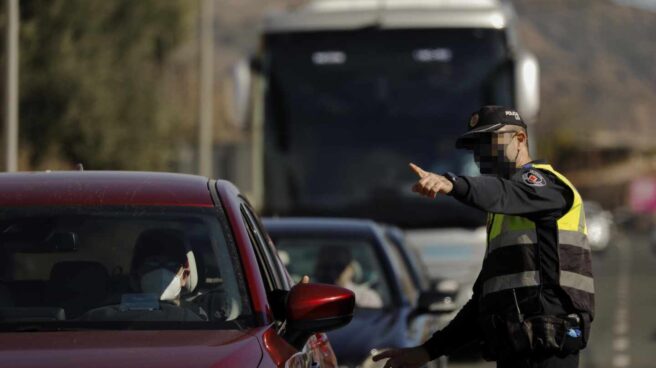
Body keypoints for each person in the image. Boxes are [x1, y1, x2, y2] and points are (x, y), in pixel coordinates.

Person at [374, 106, 594, 368]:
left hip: (548, 348)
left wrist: (453, 184)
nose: (482, 152)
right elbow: (482, 303)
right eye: (476, 145)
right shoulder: (501, 213)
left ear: (520, 139)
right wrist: (426, 352)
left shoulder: (546, 186)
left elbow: (504, 192)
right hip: (516, 349)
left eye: (490, 141)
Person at [314, 245, 383, 308]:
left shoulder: (366, 298)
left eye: (339, 267)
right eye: (326, 267)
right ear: (317, 269)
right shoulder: (310, 298)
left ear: (351, 269)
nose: (332, 272)